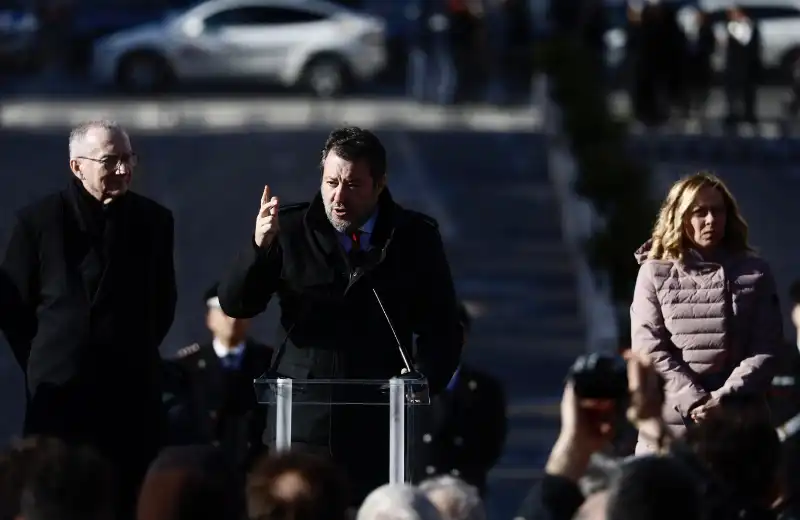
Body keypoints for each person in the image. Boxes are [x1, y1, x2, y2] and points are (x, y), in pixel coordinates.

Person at [218, 126, 462, 503]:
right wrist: (259, 249)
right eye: (331, 182)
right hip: (302, 420)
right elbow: (237, 304)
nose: (338, 196)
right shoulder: (291, 229)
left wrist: (421, 385)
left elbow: (442, 327)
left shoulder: (413, 237)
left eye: (353, 185)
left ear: (379, 185)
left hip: (381, 423)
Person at [0, 120, 177, 518]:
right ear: (77, 167)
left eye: (128, 159)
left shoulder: (154, 221)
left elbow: (163, 303)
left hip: (131, 394)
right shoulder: (38, 222)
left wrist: (131, 347)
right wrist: (47, 356)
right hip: (61, 394)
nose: (122, 170)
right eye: (109, 160)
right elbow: (12, 307)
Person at [631, 171, 784, 454]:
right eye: (700, 212)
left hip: (740, 426)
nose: (711, 220)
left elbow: (767, 349)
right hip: (674, 430)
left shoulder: (755, 272)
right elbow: (649, 349)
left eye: (717, 211)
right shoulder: (654, 272)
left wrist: (725, 399)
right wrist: (695, 401)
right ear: (680, 217)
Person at [165, 283, 273, 471]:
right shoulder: (188, 365)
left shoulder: (267, 362)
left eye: (237, 313)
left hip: (254, 467)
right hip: (204, 467)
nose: (232, 320)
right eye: (224, 312)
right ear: (210, 319)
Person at [411, 301, 507, 497]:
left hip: (463, 495)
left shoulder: (485, 389)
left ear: (462, 337)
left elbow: (492, 443)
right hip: (413, 492)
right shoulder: (401, 385)